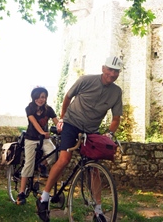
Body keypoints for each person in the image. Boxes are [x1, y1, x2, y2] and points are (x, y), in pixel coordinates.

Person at [36, 56, 123, 222]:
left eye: (116, 71)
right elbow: (68, 97)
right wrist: (62, 118)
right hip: (71, 123)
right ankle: (44, 197)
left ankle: (98, 211)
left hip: (91, 130)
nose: (112, 74)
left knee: (94, 168)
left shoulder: (116, 92)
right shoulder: (86, 80)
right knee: (64, 159)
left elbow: (116, 118)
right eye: (110, 69)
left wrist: (109, 134)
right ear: (103, 68)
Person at [16, 87, 59, 205]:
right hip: (31, 139)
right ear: (34, 97)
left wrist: (62, 130)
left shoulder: (49, 110)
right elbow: (34, 122)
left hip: (44, 139)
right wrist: (42, 132)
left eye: (43, 97)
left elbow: (57, 122)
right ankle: (21, 193)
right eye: (38, 97)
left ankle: (41, 164)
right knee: (29, 164)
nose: (41, 99)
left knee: (54, 155)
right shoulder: (29, 108)